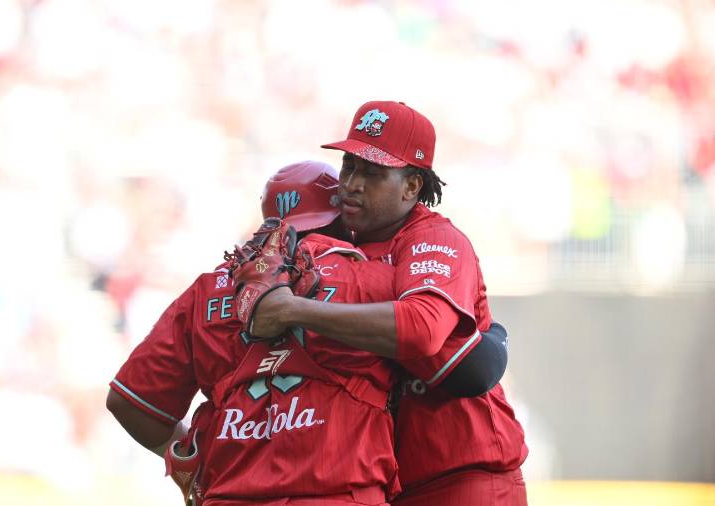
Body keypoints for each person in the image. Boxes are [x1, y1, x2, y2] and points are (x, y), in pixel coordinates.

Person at [107, 161, 509, 505]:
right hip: (341, 491)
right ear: (339, 217)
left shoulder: (206, 292)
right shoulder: (376, 281)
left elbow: (131, 402)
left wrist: (187, 457)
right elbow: (466, 367)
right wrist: (495, 337)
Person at [247, 101, 529, 505]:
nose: (352, 184)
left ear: (413, 186)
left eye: (374, 173)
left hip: (464, 475)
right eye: (349, 167)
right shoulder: (342, 247)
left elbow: (423, 330)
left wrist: (292, 309)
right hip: (384, 481)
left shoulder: (435, 239)